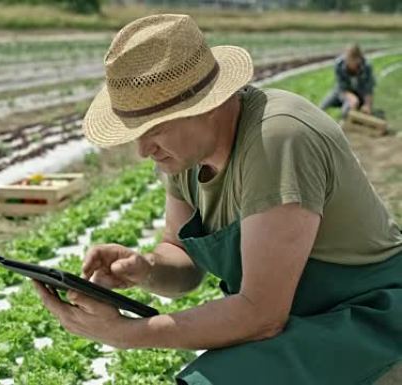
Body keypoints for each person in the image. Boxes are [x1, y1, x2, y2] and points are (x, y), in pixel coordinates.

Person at [32, 14, 402, 385]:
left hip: (372, 318)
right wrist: (145, 268)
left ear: (207, 104)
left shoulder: (278, 139)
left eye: (155, 129)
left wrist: (126, 333)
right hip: (302, 318)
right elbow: (181, 258)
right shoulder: (185, 159)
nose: (144, 150)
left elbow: (261, 315)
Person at [320, 43, 376, 119]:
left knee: (346, 110)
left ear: (359, 59)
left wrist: (367, 105)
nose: (349, 63)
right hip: (342, 92)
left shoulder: (366, 66)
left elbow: (368, 89)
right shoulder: (339, 64)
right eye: (348, 60)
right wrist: (351, 97)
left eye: (353, 61)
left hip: (360, 94)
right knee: (322, 106)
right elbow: (341, 86)